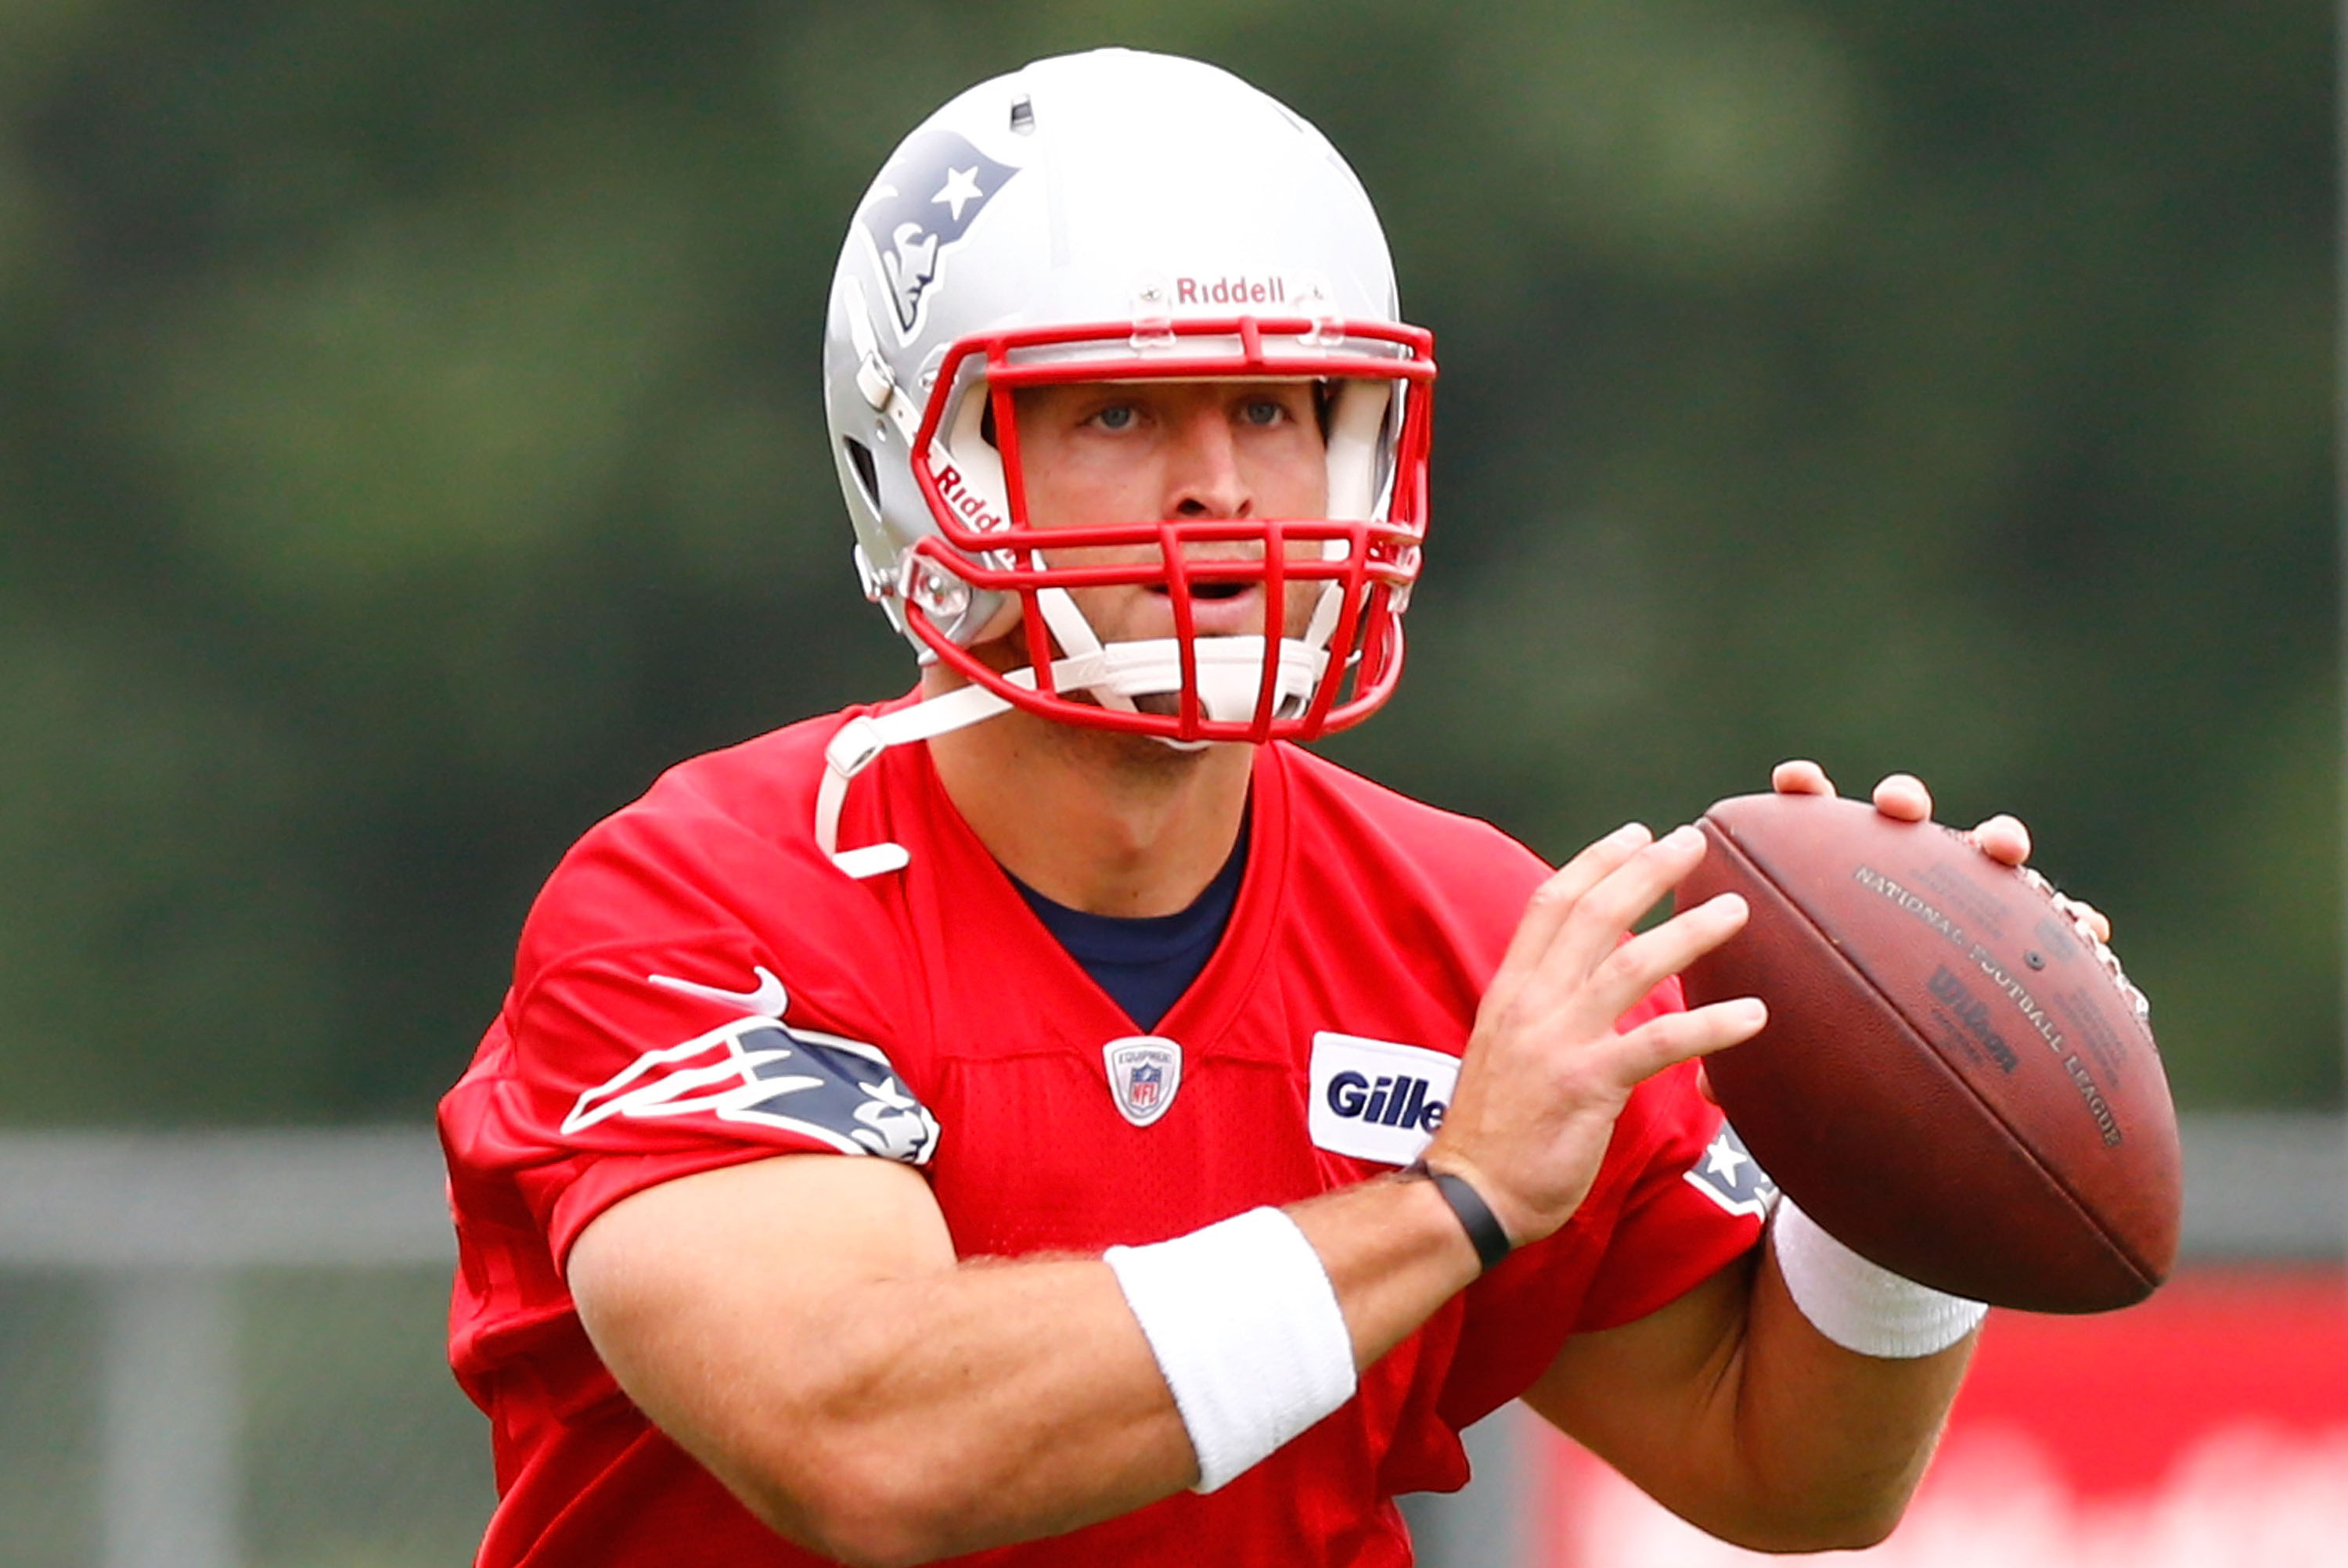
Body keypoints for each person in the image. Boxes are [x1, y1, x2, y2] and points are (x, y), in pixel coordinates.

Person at [438, 48, 2112, 1568]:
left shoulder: (1462, 925)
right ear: (921, 462)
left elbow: (1791, 1476)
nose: (1221, 492)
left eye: (1272, 408)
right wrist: (1447, 1204)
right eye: (1115, 413)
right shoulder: (702, 905)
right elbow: (876, 1445)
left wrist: (1916, 1131)